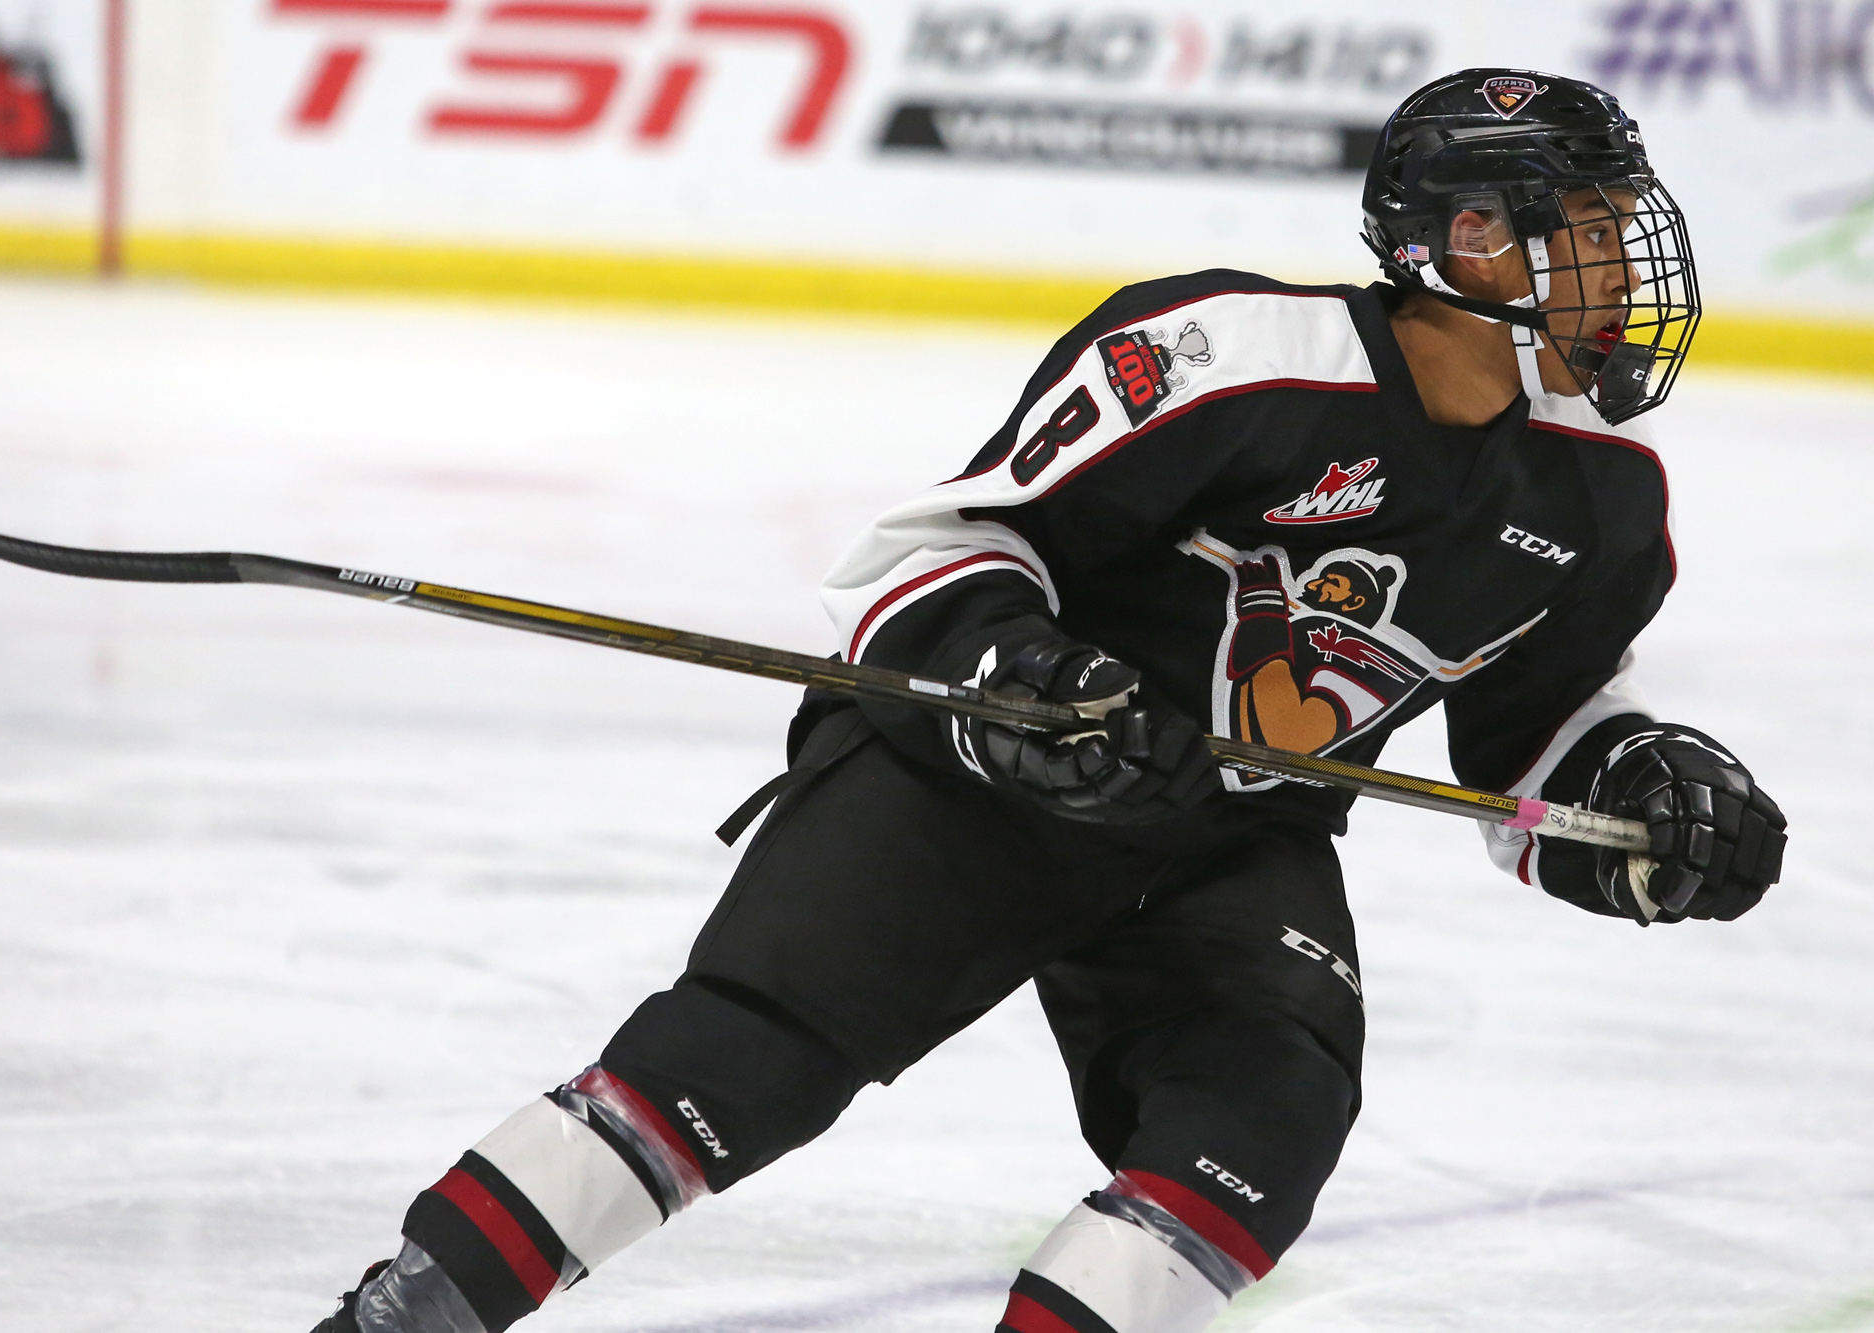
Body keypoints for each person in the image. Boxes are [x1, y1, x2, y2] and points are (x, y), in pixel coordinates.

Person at [312, 69, 1787, 1333]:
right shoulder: (1232, 359)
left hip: (1221, 843)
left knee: (1256, 1133)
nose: (1626, 270)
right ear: (1472, 243)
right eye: (1590, 232)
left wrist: (1649, 799)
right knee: (730, 1074)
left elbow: (1533, 745)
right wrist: (1028, 677)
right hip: (980, 777)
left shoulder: (1600, 490)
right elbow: (936, 553)